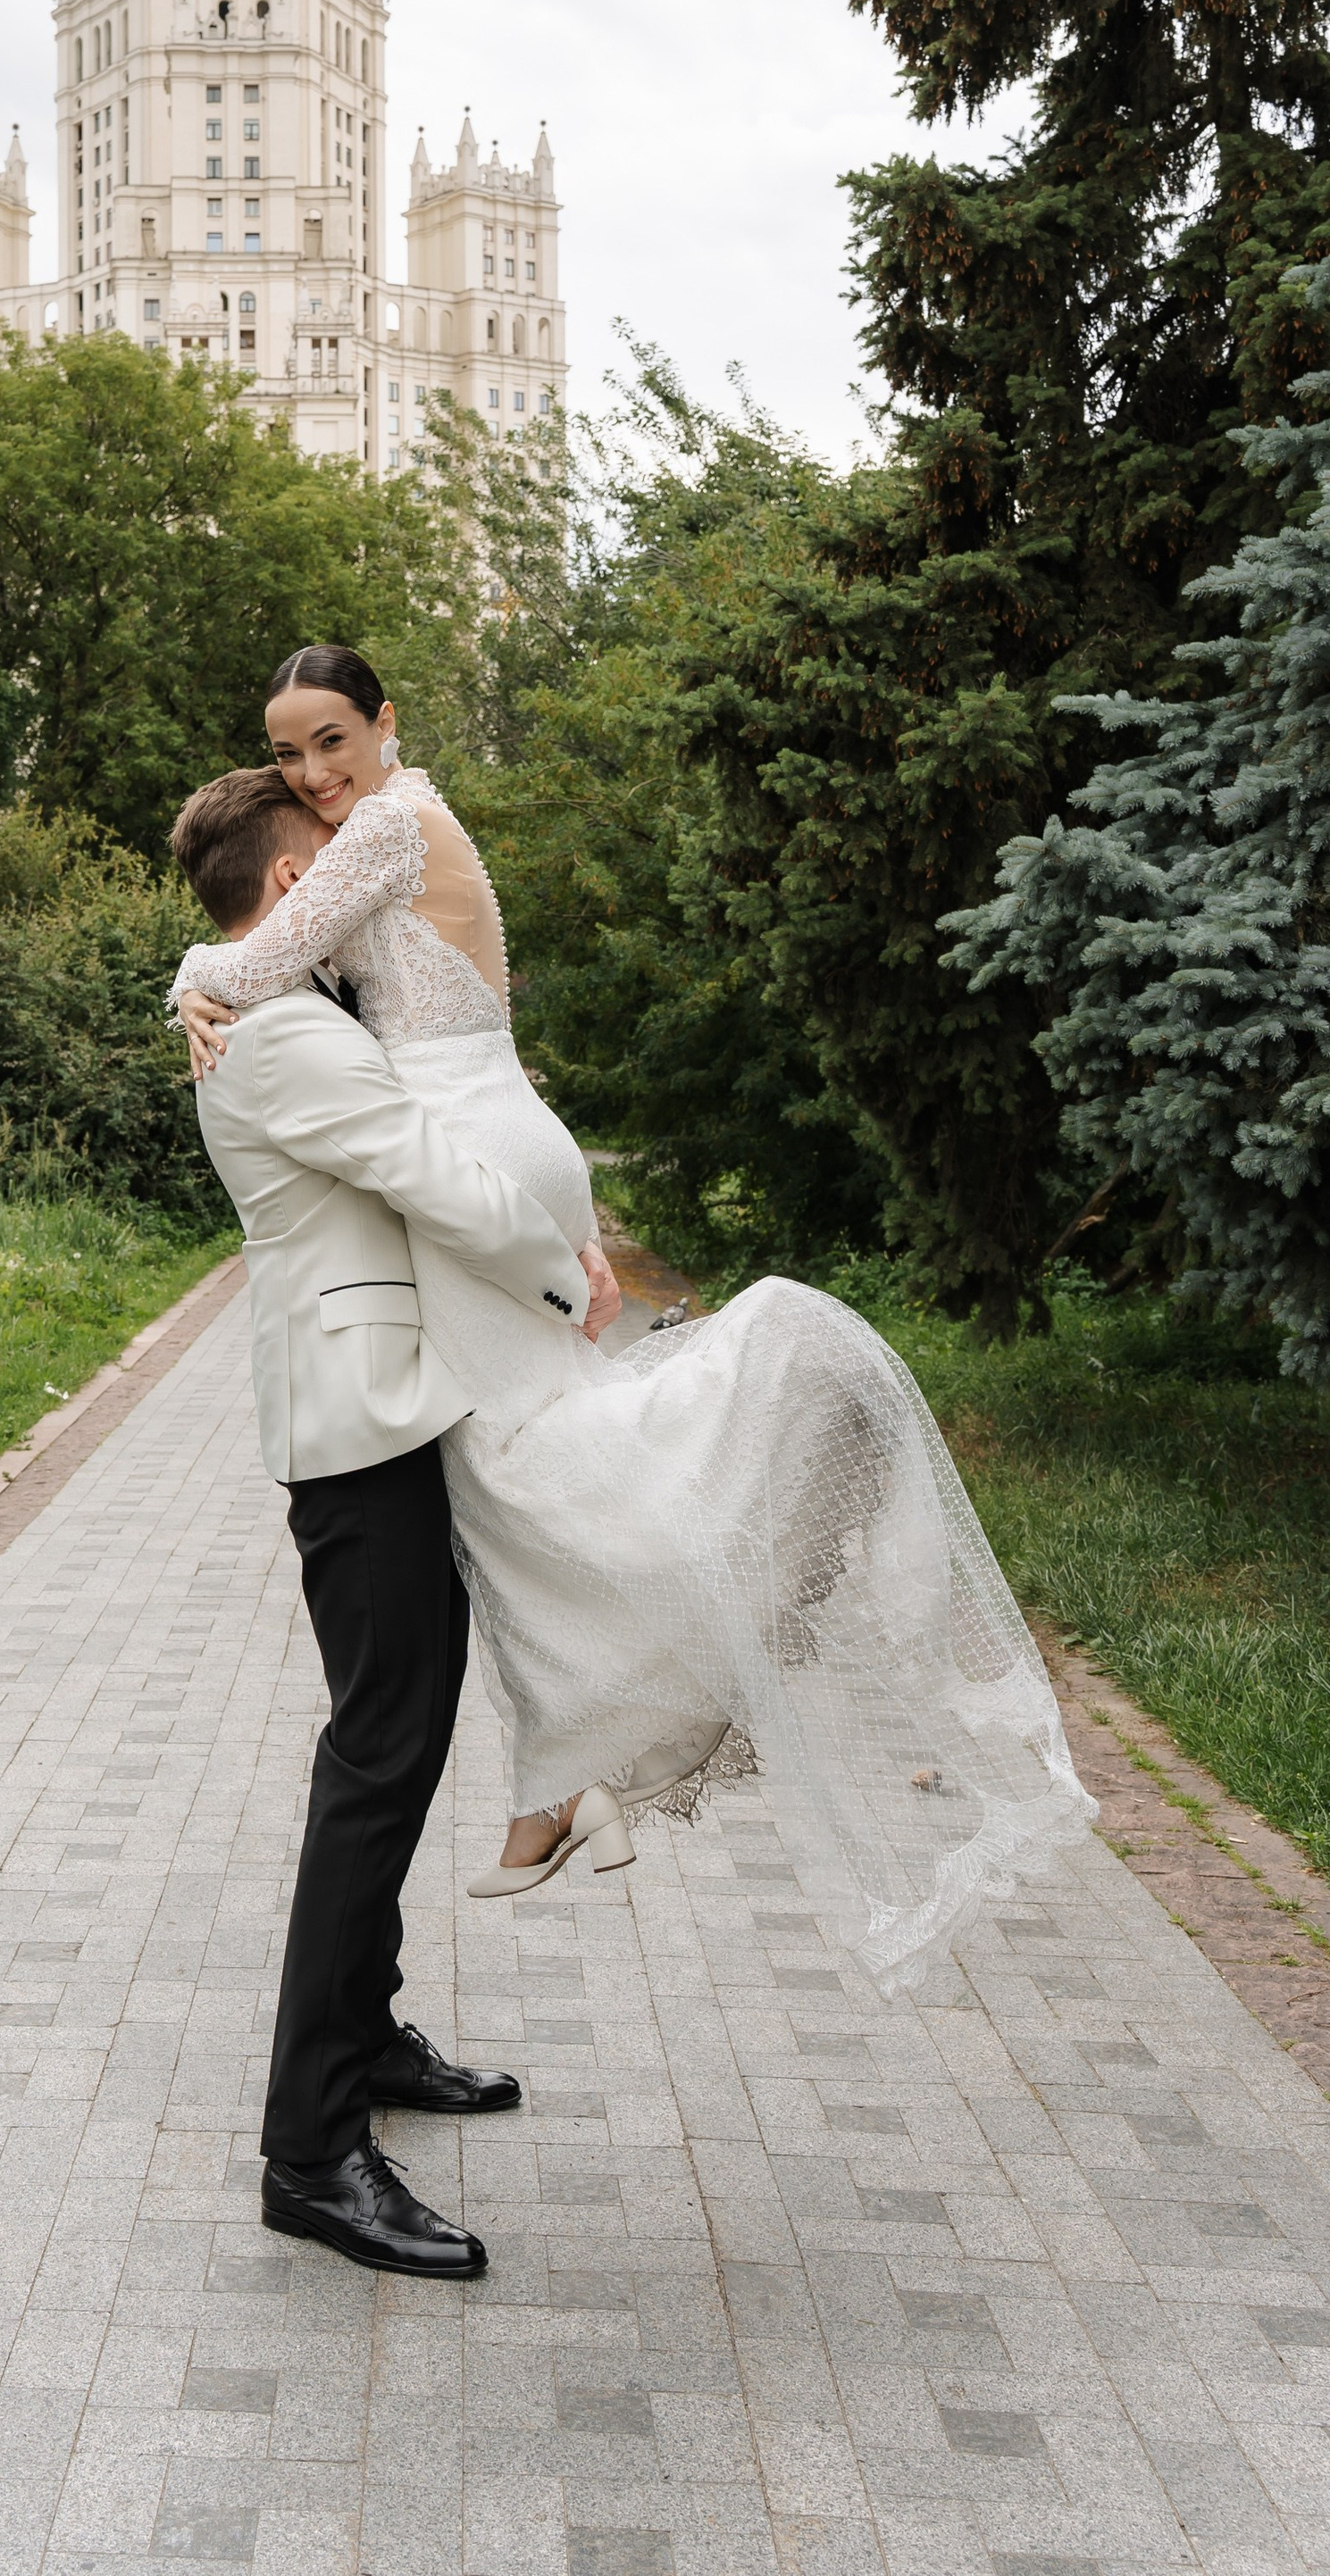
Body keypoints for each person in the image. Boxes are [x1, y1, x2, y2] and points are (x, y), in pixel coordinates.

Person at [171, 649, 1093, 1990]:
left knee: (524, 1463)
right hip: (497, 1117)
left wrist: (184, 981)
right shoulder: (412, 819)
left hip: (464, 1142)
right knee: (506, 1477)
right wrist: (577, 1219)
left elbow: (255, 957)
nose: (317, 774)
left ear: (385, 721)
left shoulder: (377, 825)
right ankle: (567, 1775)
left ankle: (594, 1743)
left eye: (331, 740)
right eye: (293, 755)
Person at [171, 763, 608, 2281]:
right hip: (355, 1438)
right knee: (378, 1753)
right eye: (343, 870)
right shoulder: (284, 1031)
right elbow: (430, 1175)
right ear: (299, 891)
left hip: (381, 1415)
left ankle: (366, 2041)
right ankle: (310, 2149)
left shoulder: (262, 1009)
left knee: (398, 1738)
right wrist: (571, 1275)